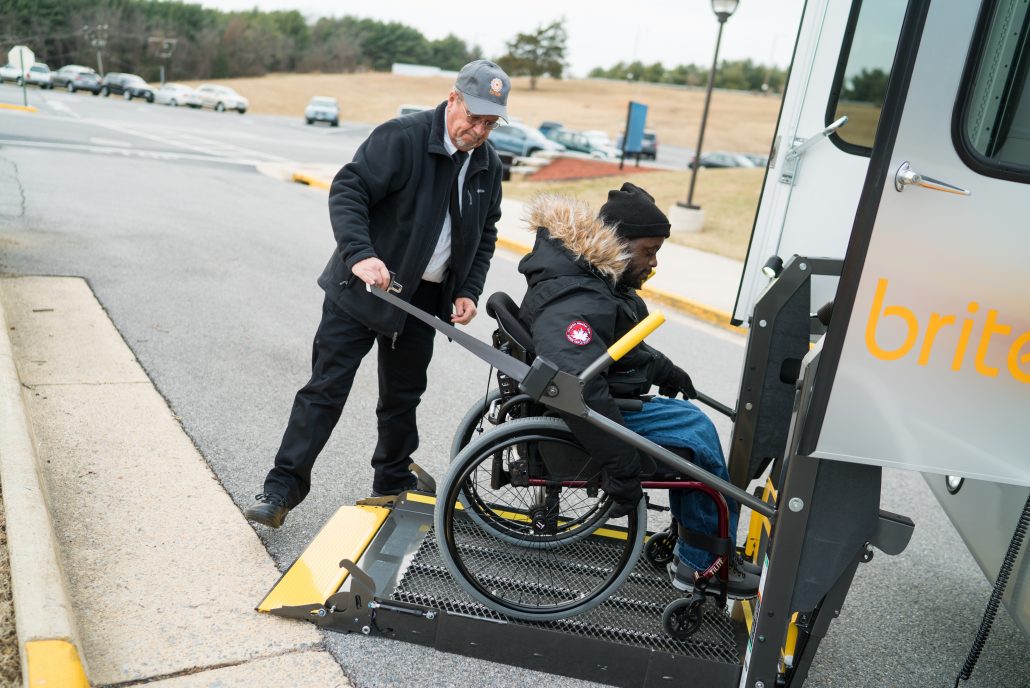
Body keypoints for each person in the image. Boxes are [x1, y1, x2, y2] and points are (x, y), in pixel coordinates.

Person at [245, 59, 511, 528]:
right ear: (453, 99)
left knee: (403, 396)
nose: (479, 130)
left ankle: (390, 481)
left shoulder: (487, 164)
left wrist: (467, 287)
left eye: (490, 122)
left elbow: (485, 231)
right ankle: (281, 489)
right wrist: (359, 254)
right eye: (474, 117)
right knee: (325, 389)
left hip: (423, 301)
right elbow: (349, 190)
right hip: (364, 289)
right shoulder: (402, 138)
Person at [517, 183, 759, 598]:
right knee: (697, 436)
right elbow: (574, 385)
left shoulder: (590, 277)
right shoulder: (575, 293)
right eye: (649, 251)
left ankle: (695, 546)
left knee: (694, 427)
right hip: (585, 417)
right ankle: (702, 565)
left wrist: (665, 369)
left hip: (604, 400)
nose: (653, 263)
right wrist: (622, 465)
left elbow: (617, 346)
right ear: (619, 243)